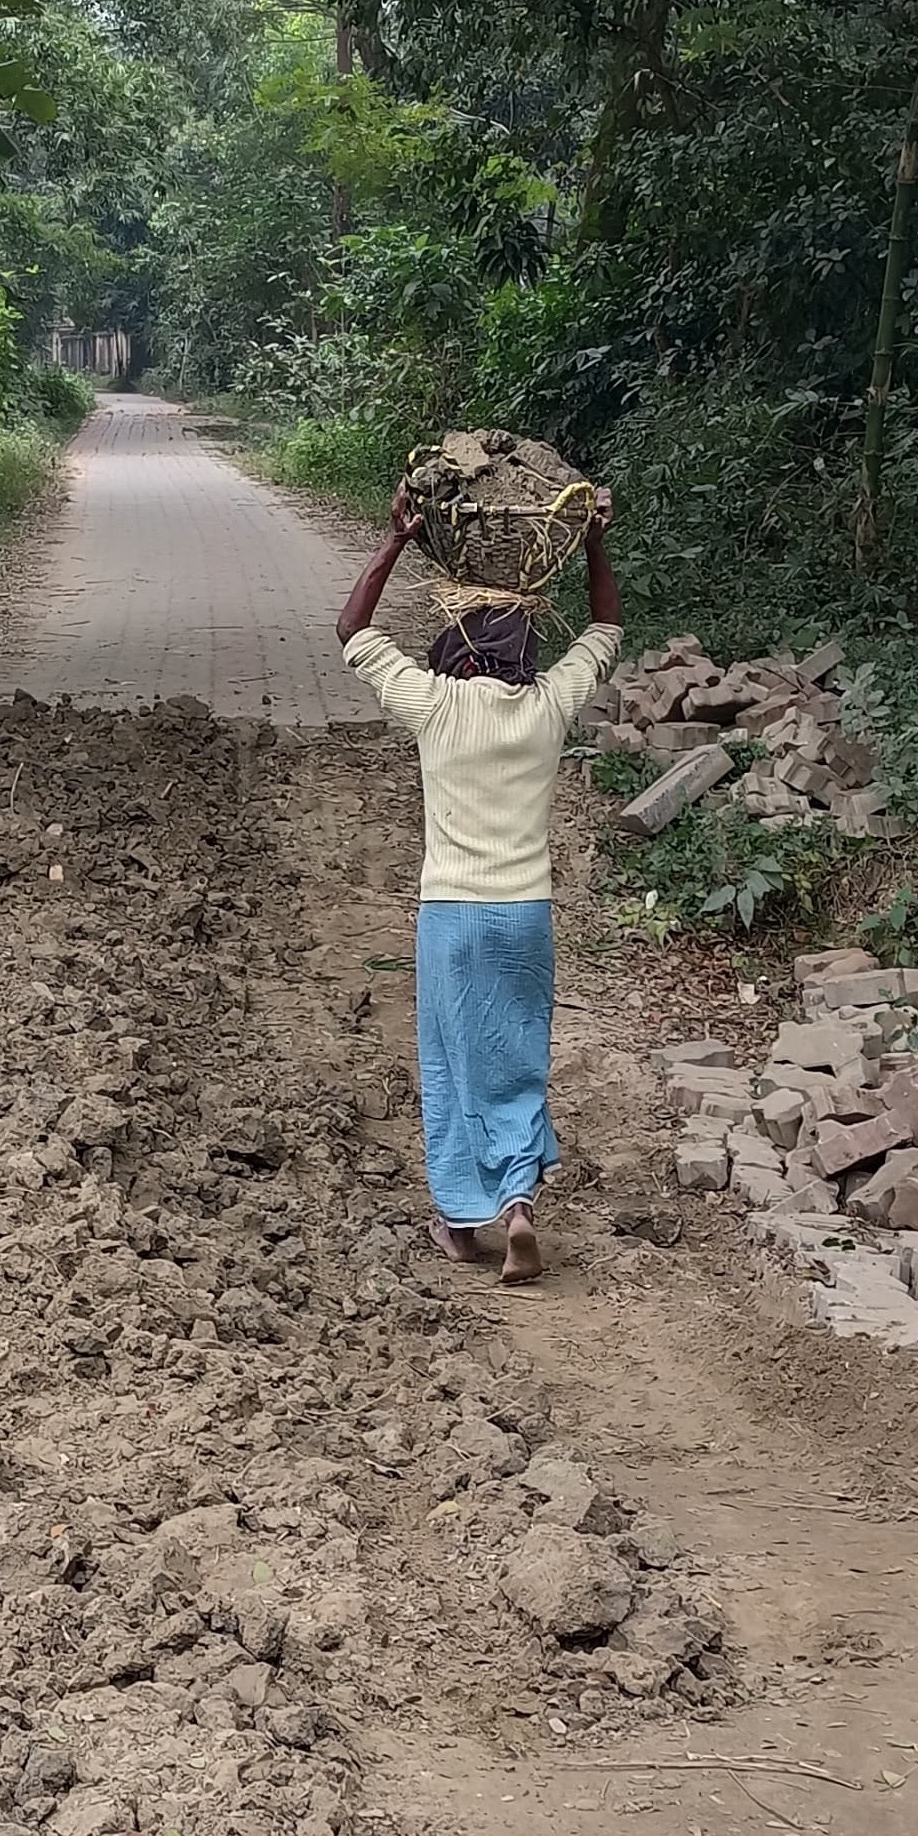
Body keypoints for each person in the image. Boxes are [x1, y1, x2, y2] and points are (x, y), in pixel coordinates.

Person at [335, 483, 622, 1283]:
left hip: (452, 917)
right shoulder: (548, 706)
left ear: (456, 650)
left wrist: (396, 540)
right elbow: (605, 628)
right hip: (523, 915)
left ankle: (462, 1222)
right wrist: (593, 541)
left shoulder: (434, 705)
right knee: (517, 1059)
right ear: (526, 653)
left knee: (449, 1061)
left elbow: (352, 630)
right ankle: (518, 1200)